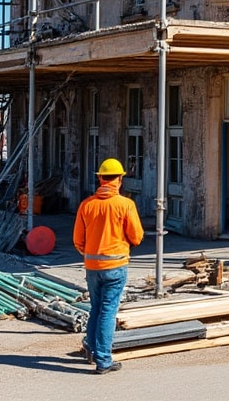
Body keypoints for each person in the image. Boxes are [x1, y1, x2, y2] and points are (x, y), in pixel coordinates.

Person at [74, 158, 144, 373]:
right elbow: (137, 236)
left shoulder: (87, 205)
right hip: (116, 266)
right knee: (107, 311)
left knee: (96, 308)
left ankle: (91, 344)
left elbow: (78, 239)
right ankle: (103, 359)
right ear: (120, 180)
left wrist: (91, 255)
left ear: (100, 178)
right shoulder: (125, 205)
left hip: (92, 267)